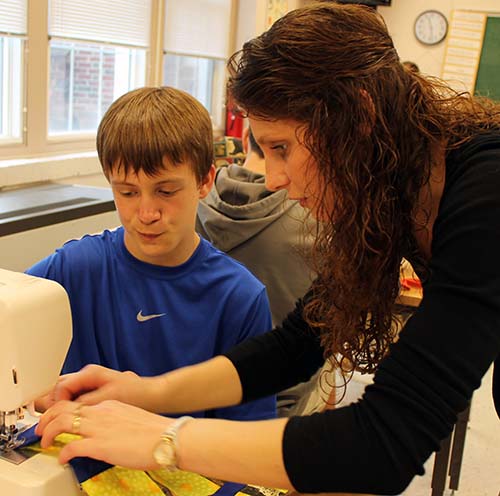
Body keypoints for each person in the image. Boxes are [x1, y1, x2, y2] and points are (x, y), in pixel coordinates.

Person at [36, 3, 500, 495]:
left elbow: (382, 444)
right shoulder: (390, 196)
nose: (274, 179)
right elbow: (293, 348)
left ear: (358, 118)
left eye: (282, 148)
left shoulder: (486, 195)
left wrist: (165, 438)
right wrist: (148, 393)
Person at [28, 86, 276, 422]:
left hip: (185, 467)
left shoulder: (239, 298)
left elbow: (246, 438)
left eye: (166, 191)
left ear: (205, 181)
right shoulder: (74, 267)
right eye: (127, 192)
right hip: (81, 462)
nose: (146, 213)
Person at [197, 126, 324, 416]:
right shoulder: (317, 218)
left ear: (244, 140)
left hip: (203, 393)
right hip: (286, 398)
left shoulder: (191, 201)